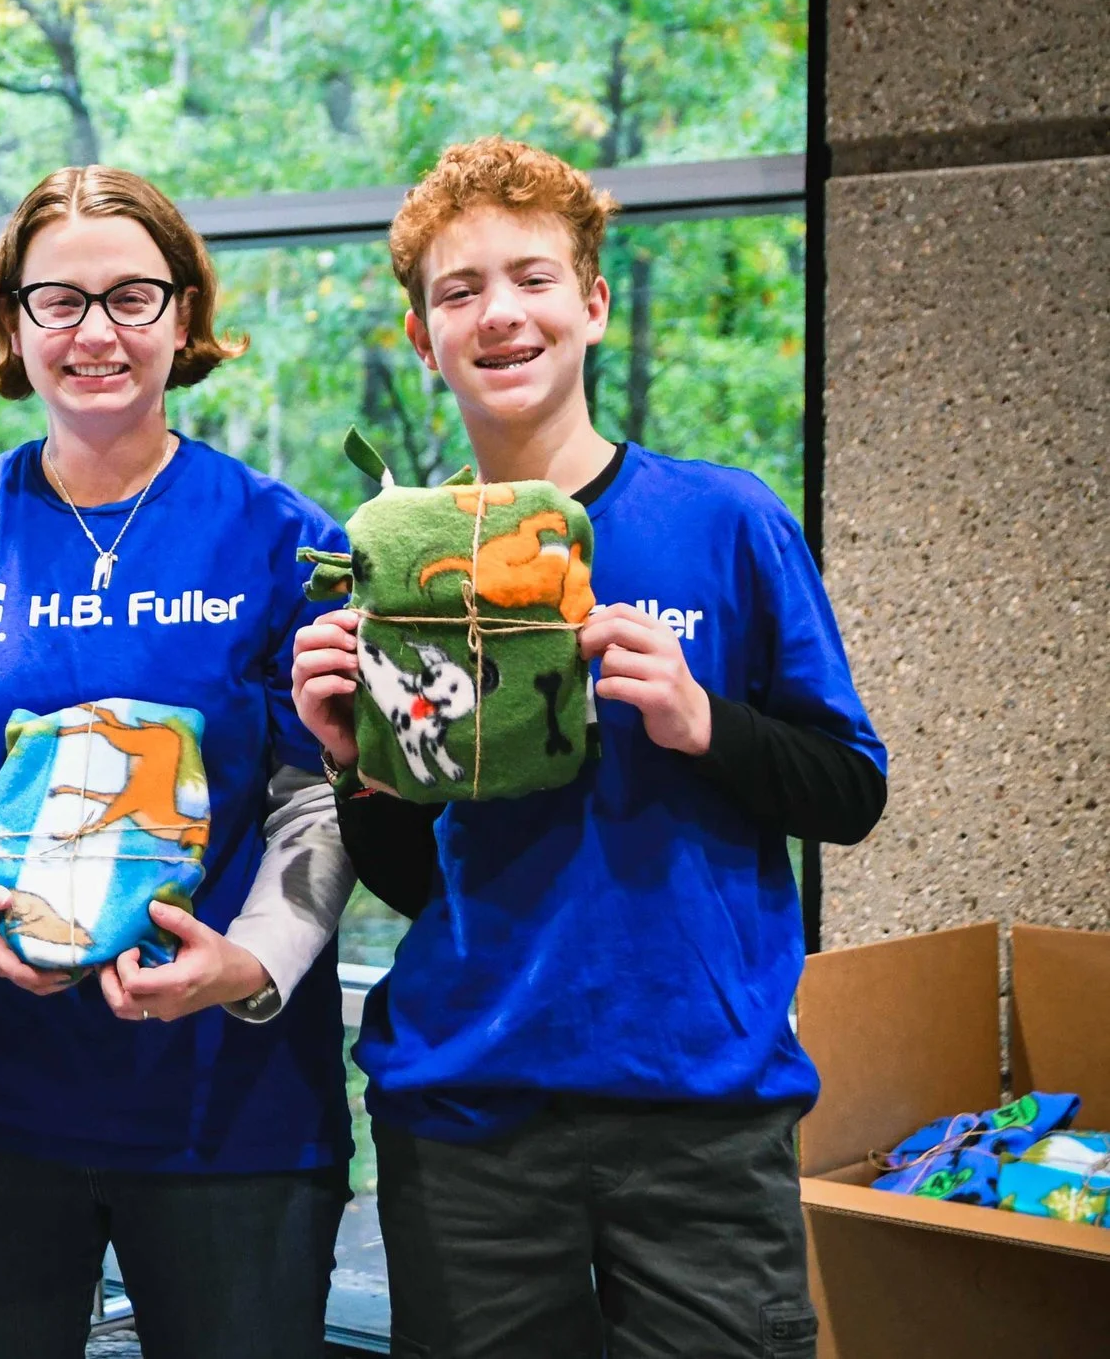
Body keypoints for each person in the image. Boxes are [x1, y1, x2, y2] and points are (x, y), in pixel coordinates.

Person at [290, 137, 887, 1359]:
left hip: (701, 1112)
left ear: (593, 304)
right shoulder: (403, 560)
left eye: (532, 278)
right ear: (421, 335)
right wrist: (361, 760)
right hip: (466, 1117)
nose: (498, 313)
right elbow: (419, 881)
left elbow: (850, 787)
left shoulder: (723, 519)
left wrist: (700, 718)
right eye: (459, 292)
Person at [0, 165, 360, 1359]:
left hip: (228, 1103)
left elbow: (319, 797)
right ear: (12, 324)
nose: (96, 332)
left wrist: (250, 962)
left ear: (183, 315)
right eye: (59, 301)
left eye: (133, 296)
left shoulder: (288, 537)